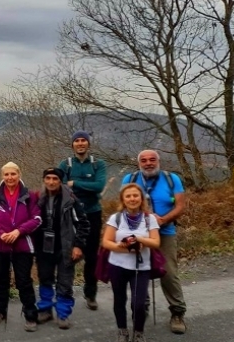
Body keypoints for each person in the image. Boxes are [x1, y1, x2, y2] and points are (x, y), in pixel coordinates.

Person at [121, 150, 187, 334]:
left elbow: (180, 206)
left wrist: (162, 220)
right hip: (138, 233)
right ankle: (141, 307)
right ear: (138, 163)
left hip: (165, 232)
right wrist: (146, 219)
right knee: (138, 271)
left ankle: (177, 312)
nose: (148, 163)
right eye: (144, 160)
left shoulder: (172, 179)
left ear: (158, 161)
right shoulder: (130, 179)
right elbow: (124, 203)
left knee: (169, 272)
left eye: (152, 160)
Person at [0, 162, 41, 331]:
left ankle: (31, 315)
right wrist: (1, 233)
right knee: (0, 278)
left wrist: (18, 232)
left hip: (22, 245)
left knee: (23, 280)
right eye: (6, 174)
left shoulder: (29, 196)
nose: (10, 178)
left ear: (19, 174)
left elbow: (37, 219)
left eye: (13, 174)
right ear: (2, 176)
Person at [102, 183, 161, 342]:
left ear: (141, 198)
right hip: (118, 265)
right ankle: (122, 331)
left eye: (135, 195)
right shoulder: (116, 218)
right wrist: (125, 247)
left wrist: (139, 239)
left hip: (141, 267)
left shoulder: (150, 219)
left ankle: (139, 332)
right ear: (123, 199)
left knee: (139, 303)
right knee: (119, 300)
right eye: (128, 196)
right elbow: (106, 242)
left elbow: (156, 243)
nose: (132, 199)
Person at [34, 168, 90, 329]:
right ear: (44, 180)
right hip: (44, 247)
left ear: (60, 181)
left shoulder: (70, 200)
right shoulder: (39, 198)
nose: (51, 182)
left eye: (55, 179)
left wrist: (78, 246)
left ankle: (63, 313)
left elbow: (84, 224)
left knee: (65, 282)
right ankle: (45, 310)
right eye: (48, 178)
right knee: (45, 279)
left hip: (65, 247)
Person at [59, 130, 107, 310]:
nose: (80, 143)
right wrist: (85, 187)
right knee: (68, 256)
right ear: (72, 144)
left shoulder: (97, 164)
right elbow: (61, 188)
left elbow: (99, 186)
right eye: (77, 141)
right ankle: (65, 294)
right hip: (71, 216)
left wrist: (75, 184)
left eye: (83, 141)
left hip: (93, 214)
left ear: (88, 144)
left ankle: (90, 294)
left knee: (92, 257)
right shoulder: (66, 165)